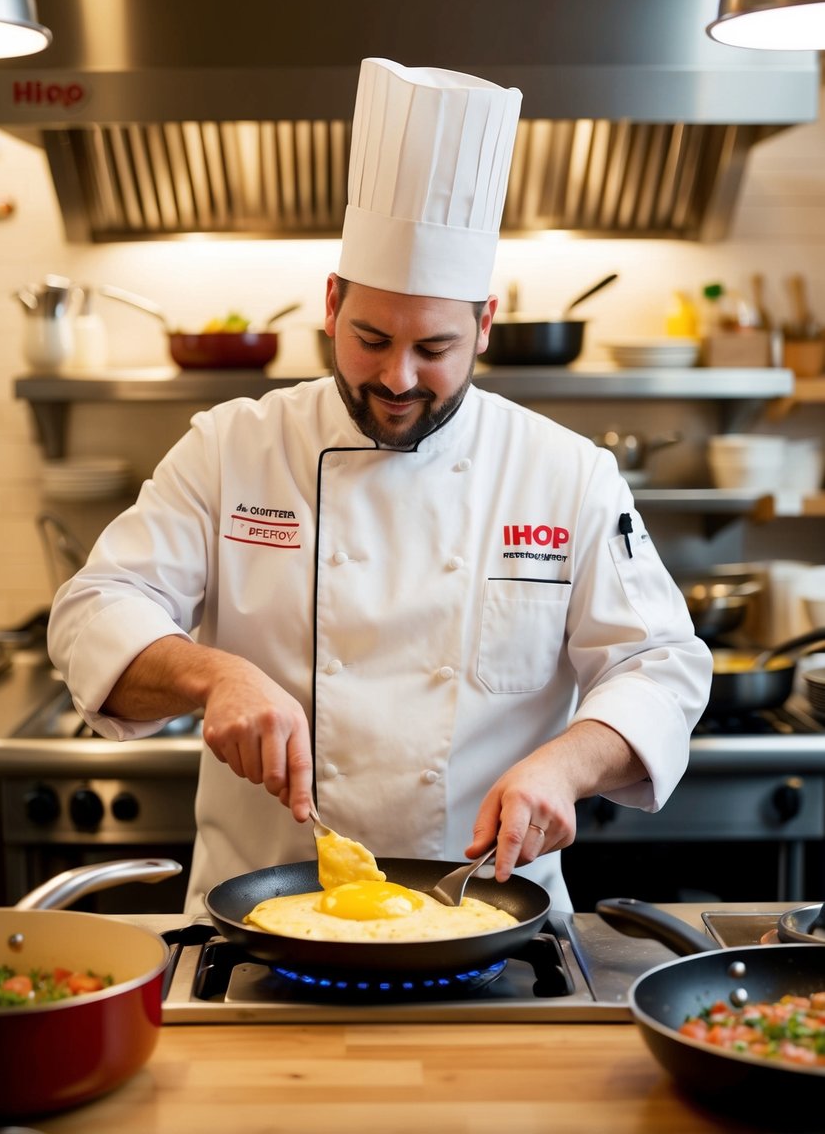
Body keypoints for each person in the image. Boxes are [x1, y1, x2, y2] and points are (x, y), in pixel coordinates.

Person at [48, 58, 712, 914]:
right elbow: (95, 607)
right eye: (368, 338)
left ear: (483, 324)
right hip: (258, 922)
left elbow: (658, 664)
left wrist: (567, 762)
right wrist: (212, 676)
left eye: (433, 349)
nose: (396, 378)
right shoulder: (233, 447)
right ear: (328, 303)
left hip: (490, 917)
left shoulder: (564, 473)